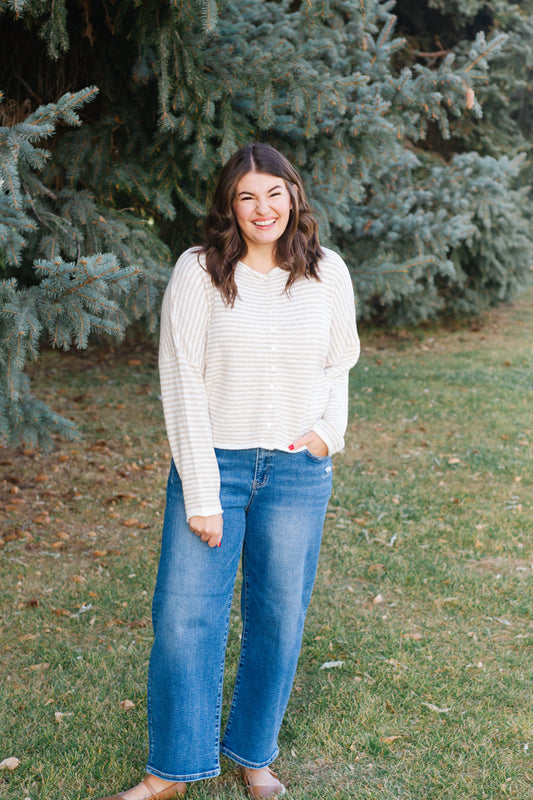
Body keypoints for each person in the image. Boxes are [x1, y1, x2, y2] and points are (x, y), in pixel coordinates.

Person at [97, 143, 359, 800]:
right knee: (185, 617)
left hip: (297, 473)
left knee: (278, 618)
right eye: (247, 196)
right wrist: (202, 491)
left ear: (293, 197)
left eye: (273, 193)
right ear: (230, 206)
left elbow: (339, 364)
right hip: (215, 463)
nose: (262, 208)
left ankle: (254, 756)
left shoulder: (327, 272)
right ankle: (170, 772)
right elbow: (181, 379)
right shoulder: (199, 271)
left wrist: (327, 436)